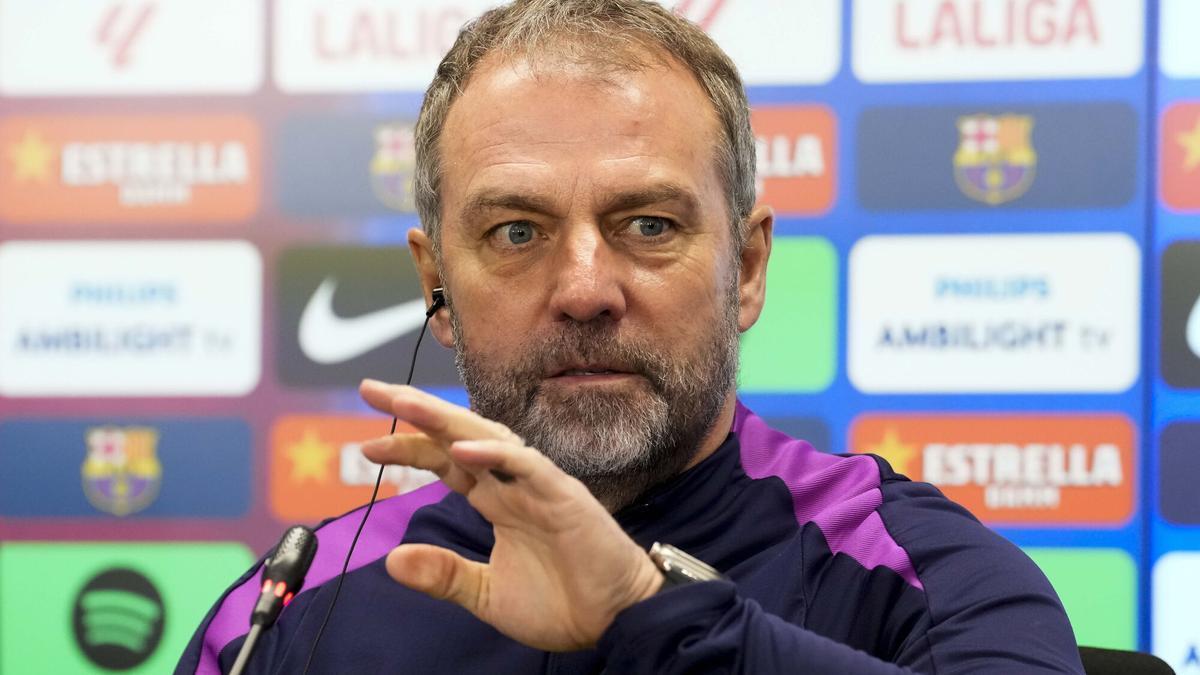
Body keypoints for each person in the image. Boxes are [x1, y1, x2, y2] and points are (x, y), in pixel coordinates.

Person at [177, 1, 1084, 672]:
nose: (584, 290)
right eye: (516, 232)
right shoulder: (293, 606)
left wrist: (654, 614)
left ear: (749, 270)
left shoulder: (917, 570)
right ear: (436, 290)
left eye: (648, 224)